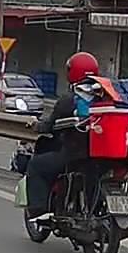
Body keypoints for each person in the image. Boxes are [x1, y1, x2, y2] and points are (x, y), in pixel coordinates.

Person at [24, 52, 99, 220]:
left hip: (75, 156)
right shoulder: (104, 96)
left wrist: (36, 125)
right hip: (103, 158)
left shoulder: (70, 100)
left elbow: (49, 125)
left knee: (36, 166)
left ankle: (39, 212)